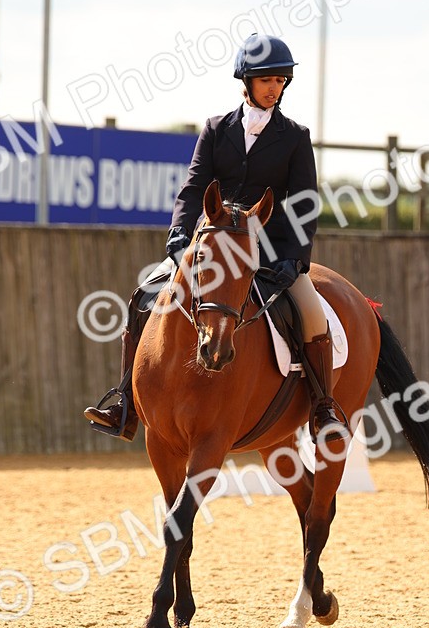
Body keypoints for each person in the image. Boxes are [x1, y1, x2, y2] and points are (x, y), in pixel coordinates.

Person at [85, 33, 348, 443]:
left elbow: (304, 205)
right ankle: (126, 403)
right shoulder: (215, 129)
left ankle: (323, 407)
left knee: (312, 316)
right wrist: (179, 234)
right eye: (267, 80)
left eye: (280, 81)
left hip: (268, 251)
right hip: (210, 247)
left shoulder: (295, 136)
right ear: (246, 81)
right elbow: (194, 188)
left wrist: (294, 260)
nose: (274, 88)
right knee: (142, 297)